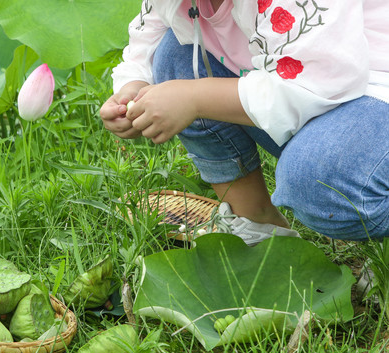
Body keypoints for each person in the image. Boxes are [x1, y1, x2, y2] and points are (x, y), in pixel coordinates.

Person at [100, 0, 389, 245]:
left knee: (318, 184)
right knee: (176, 55)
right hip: (309, 87)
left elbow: (322, 78)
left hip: (372, 90)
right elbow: (148, 34)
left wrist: (195, 98)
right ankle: (259, 227)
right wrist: (133, 86)